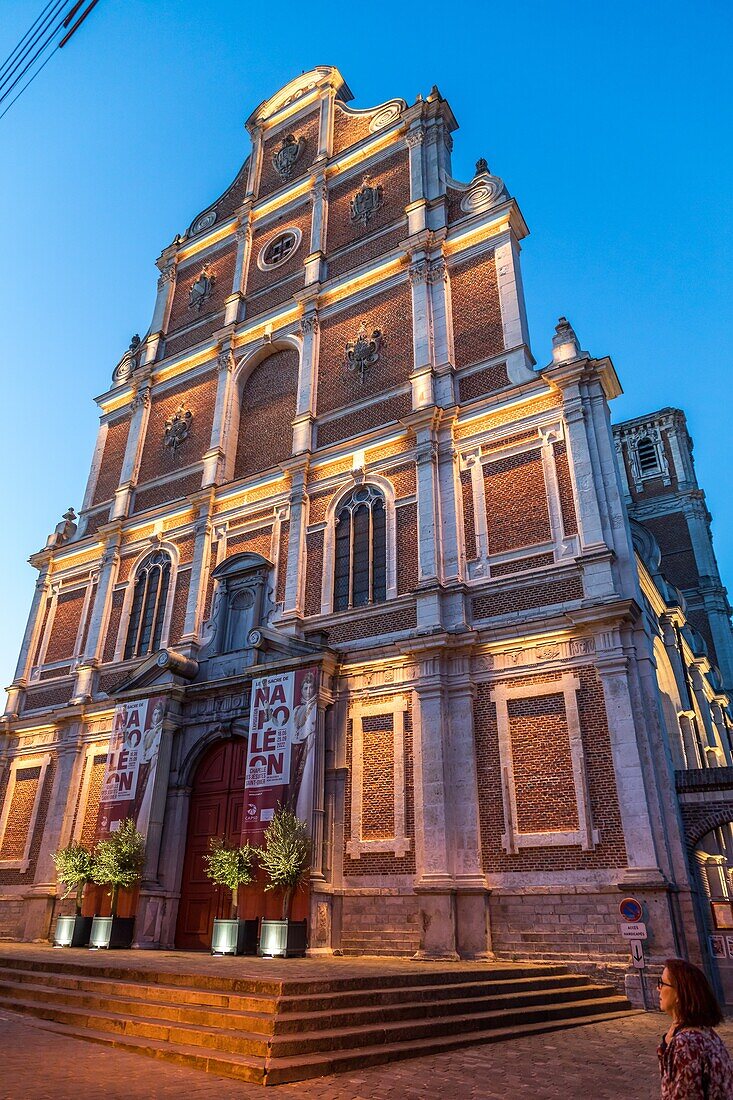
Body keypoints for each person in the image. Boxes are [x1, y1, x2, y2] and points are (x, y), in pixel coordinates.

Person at [658, 957, 733, 1098]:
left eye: (662, 983)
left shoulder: (686, 1043)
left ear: (679, 993)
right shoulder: (705, 1032)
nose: (658, 988)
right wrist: (667, 1043)